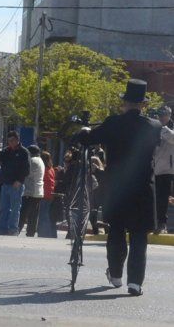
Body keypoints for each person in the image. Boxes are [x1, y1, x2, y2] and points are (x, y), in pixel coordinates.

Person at [78, 79, 161, 296]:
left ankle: (115, 274)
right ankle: (135, 283)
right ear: (143, 104)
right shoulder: (154, 126)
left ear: (125, 102)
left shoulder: (113, 123)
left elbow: (89, 139)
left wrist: (82, 131)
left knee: (116, 230)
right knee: (139, 236)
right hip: (143, 188)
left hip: (118, 187)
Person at [0, 131, 31, 236]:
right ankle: (2, 229)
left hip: (16, 184)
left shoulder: (24, 152)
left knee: (15, 209)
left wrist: (19, 181)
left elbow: (26, 169)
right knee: (3, 208)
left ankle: (13, 229)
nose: (10, 143)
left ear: (17, 140)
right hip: (5, 183)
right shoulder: (6, 151)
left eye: (12, 140)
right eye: (9, 141)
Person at [153, 106, 174, 234]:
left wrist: (162, 128)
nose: (162, 117)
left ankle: (162, 223)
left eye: (165, 114)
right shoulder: (154, 127)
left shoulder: (169, 128)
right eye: (160, 114)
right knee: (153, 197)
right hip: (153, 168)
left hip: (167, 169)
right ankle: (153, 222)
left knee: (163, 197)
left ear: (169, 115)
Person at [19, 145, 45, 237]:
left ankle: (18, 229)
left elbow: (27, 173)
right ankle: (31, 232)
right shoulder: (40, 160)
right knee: (33, 214)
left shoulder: (33, 161)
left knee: (23, 212)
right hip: (37, 191)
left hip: (30, 191)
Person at [37, 151, 58, 238]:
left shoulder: (43, 169)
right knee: (46, 215)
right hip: (50, 194)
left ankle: (43, 233)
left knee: (43, 215)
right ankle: (47, 233)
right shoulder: (51, 169)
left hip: (44, 194)